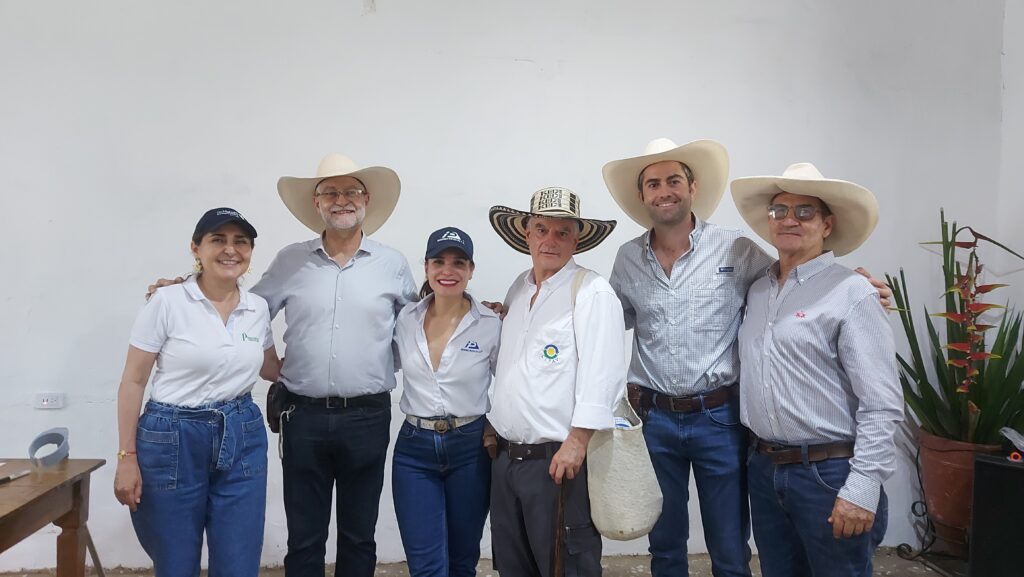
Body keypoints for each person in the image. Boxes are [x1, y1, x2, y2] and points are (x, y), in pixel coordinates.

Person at [602, 139, 893, 577]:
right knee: (663, 541)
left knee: (729, 546)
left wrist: (863, 290)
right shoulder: (628, 259)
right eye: (654, 183)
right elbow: (605, 322)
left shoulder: (737, 250)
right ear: (643, 195)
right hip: (656, 418)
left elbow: (800, 276)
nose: (665, 190)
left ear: (693, 187)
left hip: (719, 418)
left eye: (674, 180)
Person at [145, 153, 417, 577]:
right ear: (317, 204)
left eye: (350, 191)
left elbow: (420, 325)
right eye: (330, 192)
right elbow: (241, 303)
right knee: (305, 536)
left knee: (360, 533)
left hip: (368, 414)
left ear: (366, 199)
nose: (341, 200)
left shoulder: (393, 265)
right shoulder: (291, 260)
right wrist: (183, 286)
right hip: (302, 414)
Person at [731, 163, 903, 577]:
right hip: (765, 468)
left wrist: (863, 488)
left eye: (804, 211)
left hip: (829, 474)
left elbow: (882, 404)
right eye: (779, 210)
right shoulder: (756, 290)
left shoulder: (853, 293)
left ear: (827, 224)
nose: (789, 219)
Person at [114, 207, 280, 577]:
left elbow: (272, 368)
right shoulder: (167, 302)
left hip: (242, 433)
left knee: (239, 562)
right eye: (217, 240)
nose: (230, 250)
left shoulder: (257, 308)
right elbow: (133, 381)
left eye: (241, 242)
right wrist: (127, 455)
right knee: (176, 563)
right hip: (172, 437)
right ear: (196, 248)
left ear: (251, 252)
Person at [486, 186, 626, 577]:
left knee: (566, 566)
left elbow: (605, 374)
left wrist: (578, 441)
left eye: (563, 232)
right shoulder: (519, 287)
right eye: (542, 229)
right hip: (506, 460)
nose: (551, 240)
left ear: (576, 239)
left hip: (556, 461)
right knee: (514, 567)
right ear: (526, 233)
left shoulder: (592, 292)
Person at [391, 227, 501, 577]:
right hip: (414, 450)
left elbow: (511, 383)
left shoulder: (491, 324)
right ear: (426, 267)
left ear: (471, 270)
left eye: (458, 262)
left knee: (462, 561)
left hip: (470, 449)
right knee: (425, 565)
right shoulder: (405, 319)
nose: (447, 271)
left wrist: (495, 424)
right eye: (438, 261)